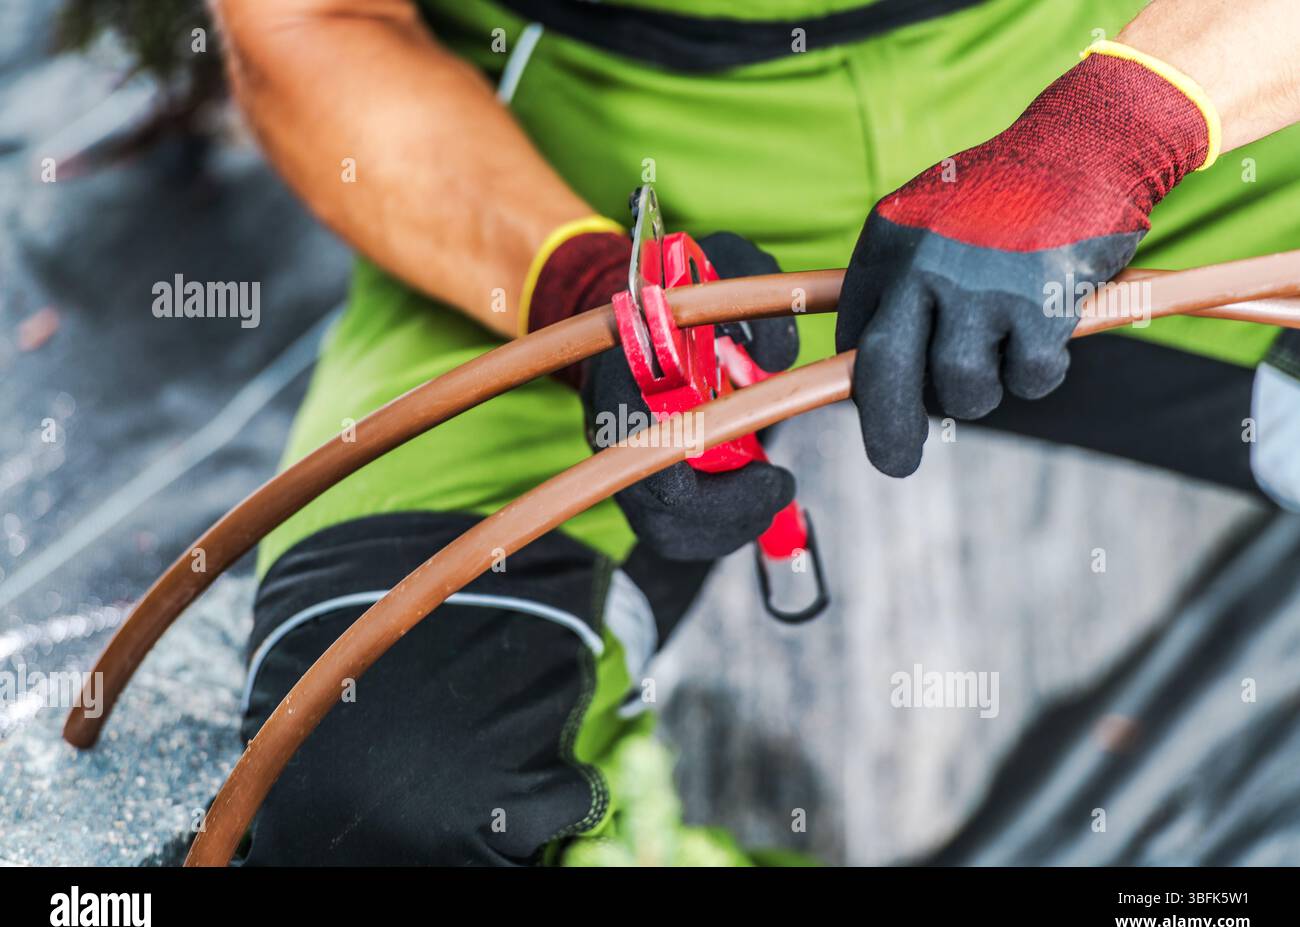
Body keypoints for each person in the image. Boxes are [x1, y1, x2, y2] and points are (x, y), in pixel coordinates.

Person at [215, 0, 1300, 865]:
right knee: (376, 800)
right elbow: (309, 24)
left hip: (1125, 77)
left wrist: (1113, 132)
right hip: (574, 169)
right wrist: (585, 293)